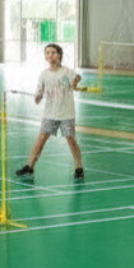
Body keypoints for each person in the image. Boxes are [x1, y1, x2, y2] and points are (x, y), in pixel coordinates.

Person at [15, 43, 84, 181]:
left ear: (59, 55)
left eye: (53, 52)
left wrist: (74, 83)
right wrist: (38, 97)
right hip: (50, 113)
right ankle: (29, 166)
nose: (50, 55)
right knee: (40, 140)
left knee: (71, 140)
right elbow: (38, 96)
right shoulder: (43, 75)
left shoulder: (66, 71)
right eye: (47, 53)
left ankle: (79, 168)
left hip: (66, 112)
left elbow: (77, 77)